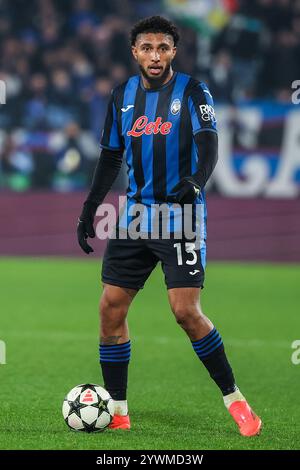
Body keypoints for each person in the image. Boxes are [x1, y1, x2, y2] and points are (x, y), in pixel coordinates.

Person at [77, 16, 262, 436]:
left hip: (180, 215)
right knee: (110, 308)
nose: (155, 55)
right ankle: (119, 411)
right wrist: (90, 207)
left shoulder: (194, 91)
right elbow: (110, 156)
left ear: (173, 51)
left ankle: (236, 400)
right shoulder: (121, 95)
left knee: (185, 311)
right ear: (135, 52)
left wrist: (196, 181)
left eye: (163, 47)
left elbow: (209, 143)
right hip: (135, 215)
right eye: (147, 47)